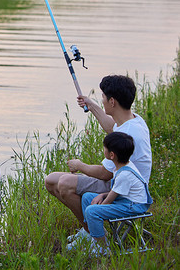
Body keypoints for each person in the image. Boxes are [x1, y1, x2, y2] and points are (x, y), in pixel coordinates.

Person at [44, 75, 152, 245]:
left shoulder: (129, 132)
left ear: (112, 102)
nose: (101, 100)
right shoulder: (134, 121)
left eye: (102, 97)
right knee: (51, 180)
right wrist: (91, 105)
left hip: (124, 188)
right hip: (125, 181)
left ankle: (91, 233)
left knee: (64, 182)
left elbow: (104, 174)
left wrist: (79, 165)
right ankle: (90, 229)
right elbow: (111, 127)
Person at [80, 131, 152, 256]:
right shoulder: (123, 165)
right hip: (126, 200)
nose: (103, 149)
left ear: (112, 155)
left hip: (134, 206)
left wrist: (98, 207)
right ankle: (95, 236)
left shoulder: (125, 174)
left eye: (105, 148)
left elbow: (109, 200)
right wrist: (102, 195)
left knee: (92, 211)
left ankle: (101, 248)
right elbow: (117, 191)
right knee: (87, 197)